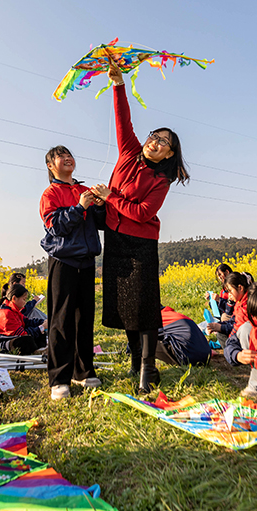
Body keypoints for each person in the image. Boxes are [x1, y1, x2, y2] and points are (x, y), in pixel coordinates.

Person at [90, 58, 190, 394]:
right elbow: (123, 119)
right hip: (116, 241)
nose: (155, 142)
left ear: (169, 155)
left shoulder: (161, 179)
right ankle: (135, 361)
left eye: (164, 142)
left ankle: (149, 369)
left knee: (145, 309)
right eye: (154, 136)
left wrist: (111, 198)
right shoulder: (129, 152)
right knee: (125, 306)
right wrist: (118, 83)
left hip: (141, 244)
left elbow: (145, 212)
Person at [39, 145, 105, 400]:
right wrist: (79, 207)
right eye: (60, 156)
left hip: (87, 262)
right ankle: (59, 378)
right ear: (50, 166)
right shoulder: (50, 193)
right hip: (63, 262)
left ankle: (83, 371)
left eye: (70, 155)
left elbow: (100, 224)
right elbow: (56, 227)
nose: (67, 158)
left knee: (84, 319)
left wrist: (99, 205)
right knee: (61, 320)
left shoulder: (83, 190)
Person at [0, 283, 47, 355]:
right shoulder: (6, 314)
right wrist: (42, 327)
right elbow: (22, 334)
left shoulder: (13, 310)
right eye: (24, 299)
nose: (25, 303)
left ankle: (38, 350)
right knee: (26, 340)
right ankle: (36, 352)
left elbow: (27, 322)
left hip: (9, 339)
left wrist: (43, 322)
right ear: (14, 298)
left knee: (39, 334)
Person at [205, 263, 235, 345]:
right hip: (225, 316)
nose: (219, 278)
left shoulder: (233, 288)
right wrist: (212, 301)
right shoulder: (223, 290)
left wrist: (219, 299)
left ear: (227, 272)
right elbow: (221, 309)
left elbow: (231, 308)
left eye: (220, 274)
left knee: (224, 317)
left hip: (231, 317)